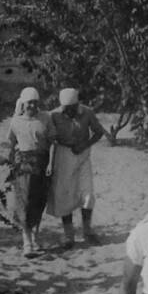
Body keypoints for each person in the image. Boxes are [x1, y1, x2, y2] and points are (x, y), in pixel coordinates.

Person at [47, 88, 106, 248]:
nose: (69, 112)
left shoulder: (87, 112)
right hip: (63, 155)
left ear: (77, 104)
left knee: (87, 193)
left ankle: (87, 231)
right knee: (65, 193)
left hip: (83, 155)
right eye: (65, 109)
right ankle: (68, 235)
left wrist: (84, 145)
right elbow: (49, 137)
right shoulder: (54, 115)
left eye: (72, 109)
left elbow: (99, 132)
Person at [6, 87, 55, 255]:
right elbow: (11, 144)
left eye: (35, 102)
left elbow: (52, 142)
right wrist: (10, 164)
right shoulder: (15, 121)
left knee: (39, 201)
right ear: (23, 103)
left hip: (42, 163)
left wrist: (51, 164)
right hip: (23, 165)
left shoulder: (45, 118)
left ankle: (35, 237)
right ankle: (27, 241)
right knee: (24, 201)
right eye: (29, 103)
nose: (32, 106)